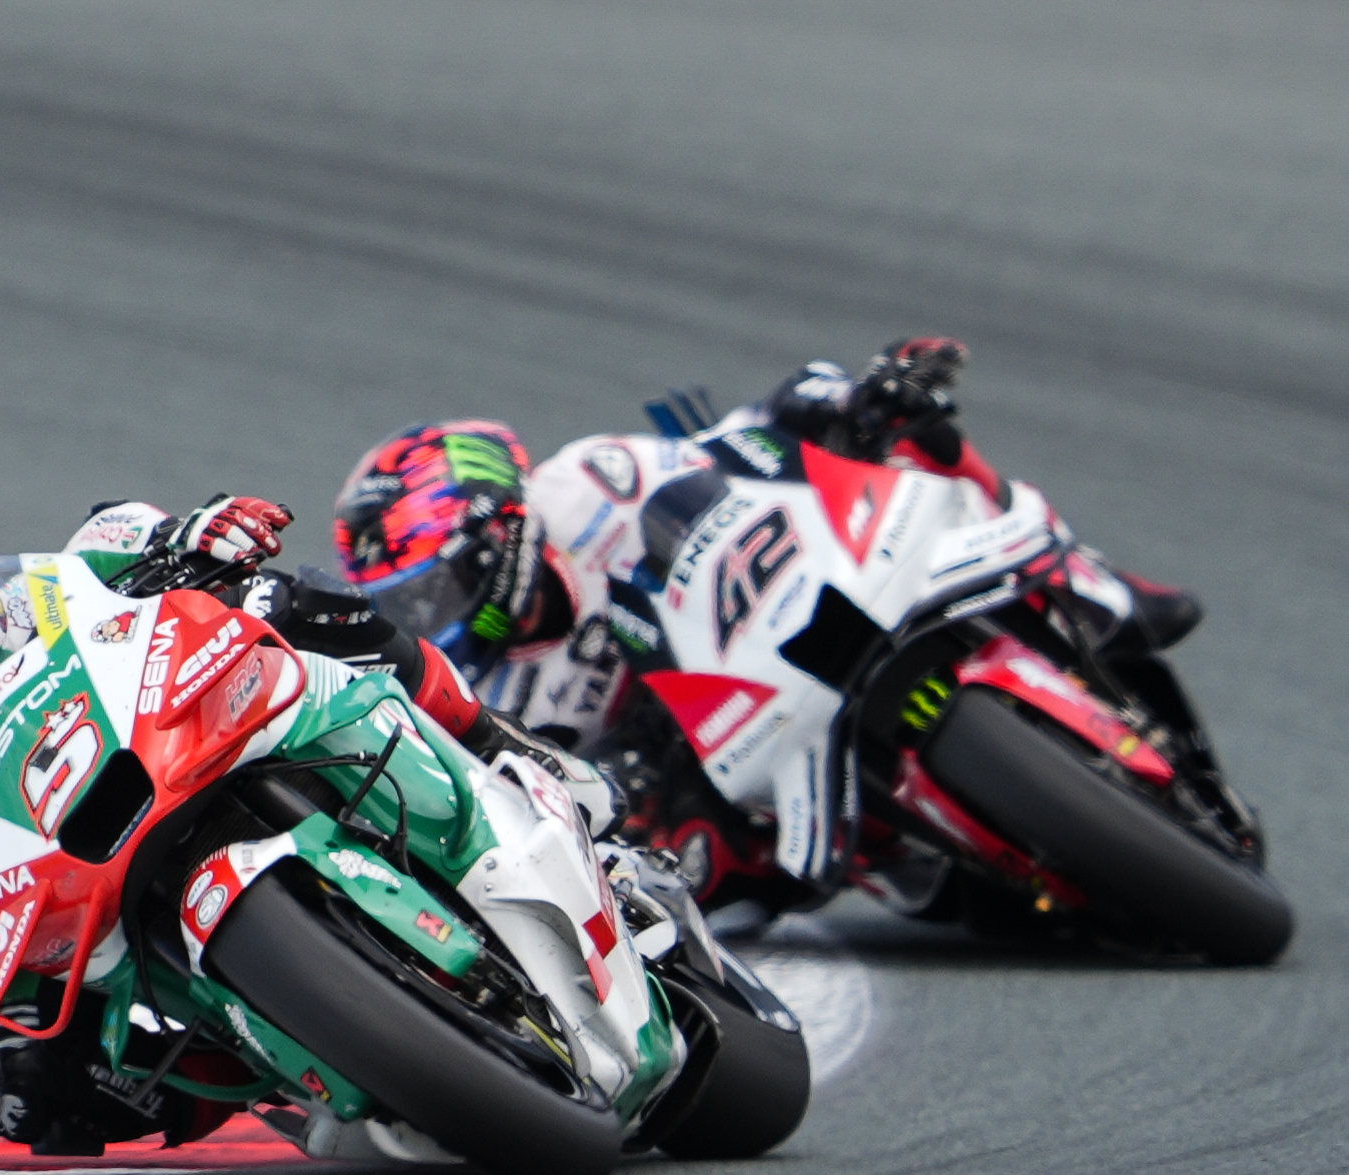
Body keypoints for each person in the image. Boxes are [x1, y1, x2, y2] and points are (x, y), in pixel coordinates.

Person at [0, 494, 614, 1166]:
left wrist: (172, 541)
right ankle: (290, 1055)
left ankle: (498, 742)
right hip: (59, 975)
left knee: (307, 608)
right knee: (40, 1098)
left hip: (111, 781)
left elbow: (56, 589)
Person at [331, 338, 1202, 907]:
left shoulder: (583, 482)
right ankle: (892, 853)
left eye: (436, 588)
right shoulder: (490, 686)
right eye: (410, 603)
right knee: (694, 862)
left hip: (783, 605)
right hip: (717, 760)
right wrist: (618, 788)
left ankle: (1095, 584)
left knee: (904, 434)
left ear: (496, 530)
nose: (433, 617)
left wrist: (836, 402)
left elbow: (730, 450)